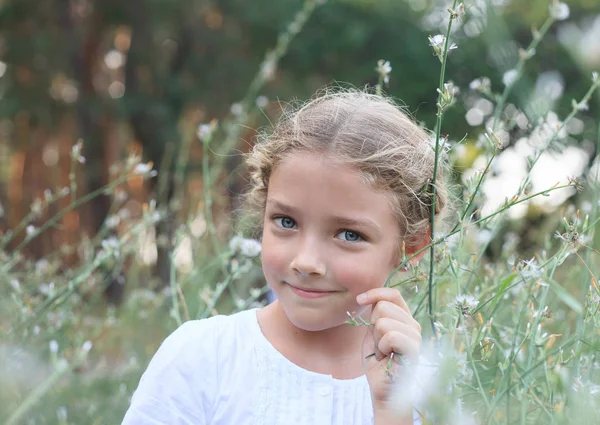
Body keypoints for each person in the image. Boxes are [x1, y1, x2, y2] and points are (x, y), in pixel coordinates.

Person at [121, 89, 449, 425]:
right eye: (286, 222)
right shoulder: (202, 358)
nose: (306, 262)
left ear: (413, 247)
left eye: (349, 235)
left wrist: (392, 409)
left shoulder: (431, 392)